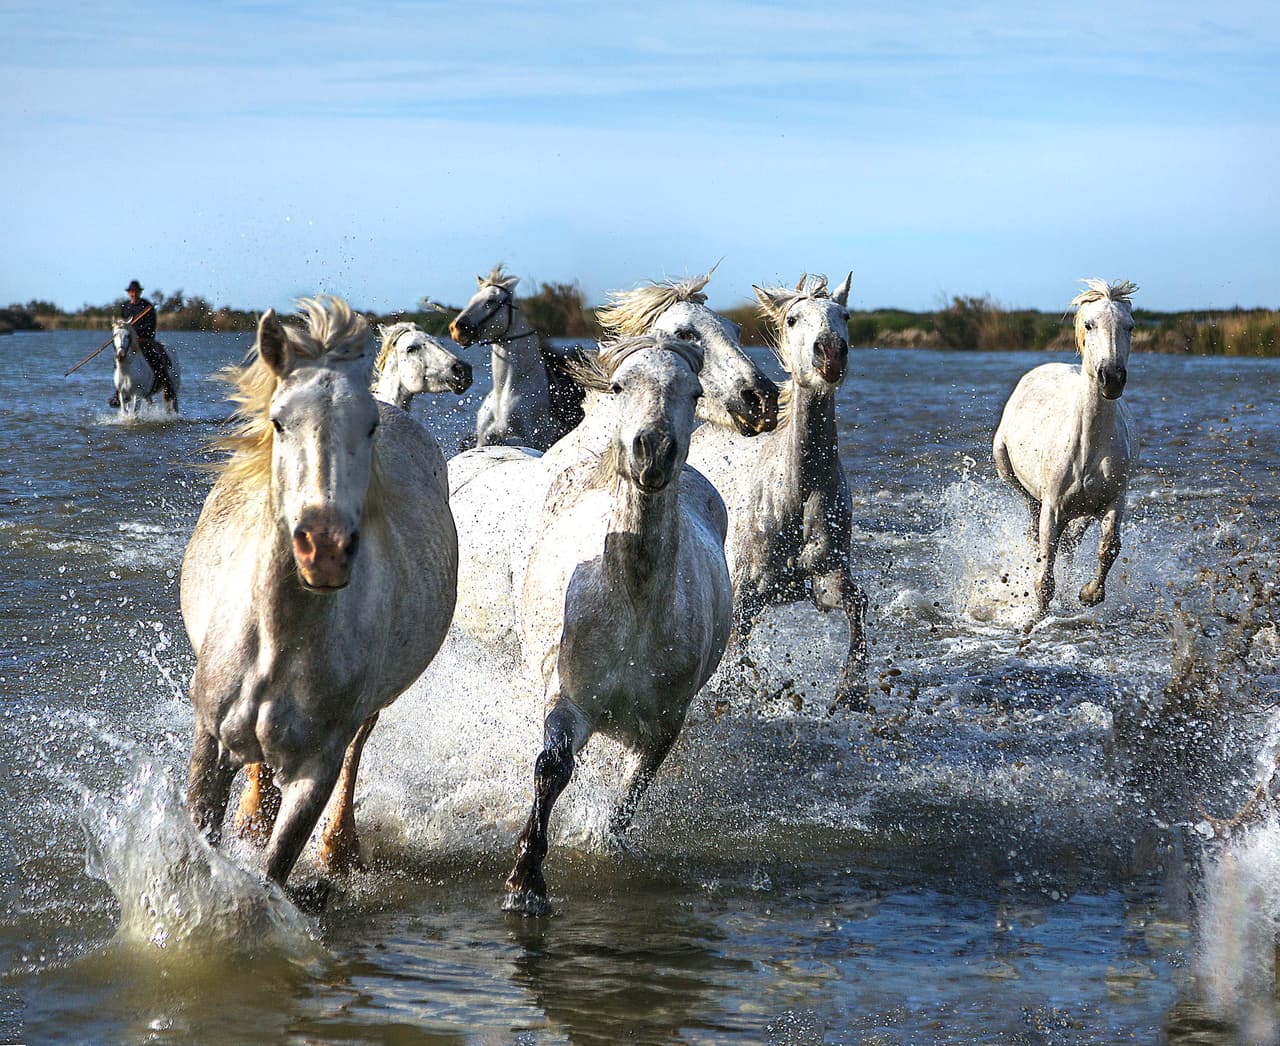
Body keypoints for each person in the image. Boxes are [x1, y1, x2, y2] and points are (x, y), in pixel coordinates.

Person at [110, 280, 176, 407]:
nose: (133, 294)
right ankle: (118, 391)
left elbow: (151, 327)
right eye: (131, 292)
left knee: (156, 357)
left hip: (145, 340)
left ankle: (166, 383)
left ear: (139, 292)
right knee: (119, 359)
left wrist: (137, 333)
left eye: (135, 291)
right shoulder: (125, 307)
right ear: (128, 293)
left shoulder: (147, 307)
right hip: (129, 340)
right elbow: (122, 324)